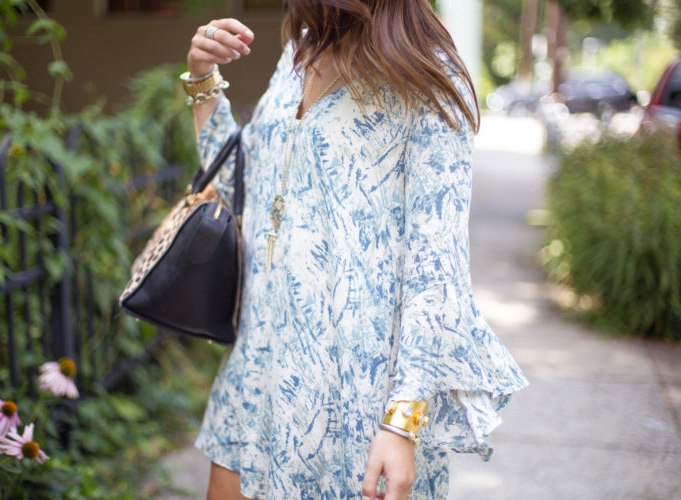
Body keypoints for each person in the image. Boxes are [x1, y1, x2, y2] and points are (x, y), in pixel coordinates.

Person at [184, 1, 528, 499]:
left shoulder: (426, 73)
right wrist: (202, 76)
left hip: (357, 399)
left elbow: (438, 272)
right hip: (259, 371)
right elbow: (243, 189)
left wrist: (402, 421)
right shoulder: (300, 50)